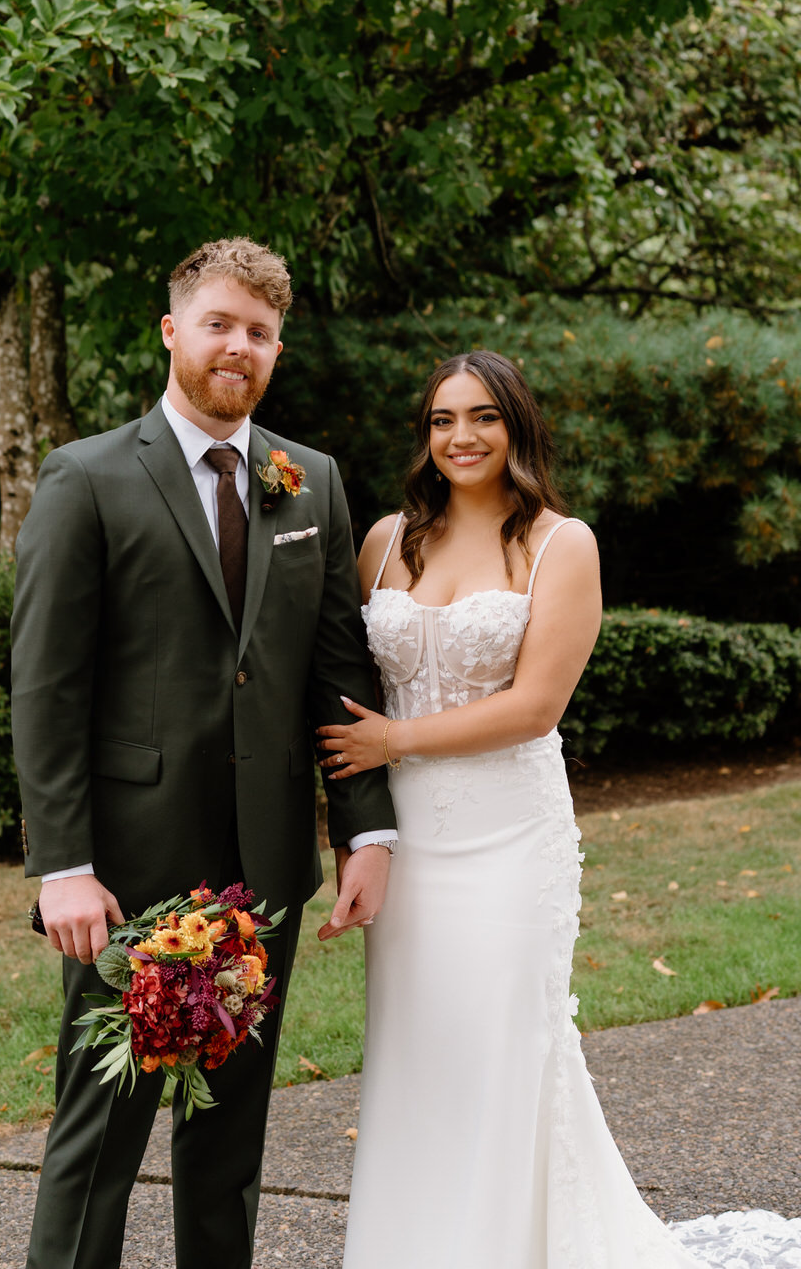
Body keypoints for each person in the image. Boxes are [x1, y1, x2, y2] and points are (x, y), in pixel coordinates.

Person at [318, 350, 800, 1268]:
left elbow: (536, 706)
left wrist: (394, 742)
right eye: (442, 419)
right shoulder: (383, 541)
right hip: (408, 844)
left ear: (518, 426)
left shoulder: (558, 544)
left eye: (484, 417)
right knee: (419, 1053)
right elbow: (338, 678)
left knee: (506, 1048)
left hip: (510, 836)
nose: (462, 437)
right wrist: (361, 817)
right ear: (425, 435)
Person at [10, 236, 397, 1269]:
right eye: (220, 324)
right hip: (130, 873)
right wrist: (65, 865)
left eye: (261, 333)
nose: (240, 347)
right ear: (173, 330)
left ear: (278, 351)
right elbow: (46, 689)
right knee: (100, 1135)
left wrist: (368, 833)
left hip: (263, 867)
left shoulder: (307, 482)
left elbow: (337, 682)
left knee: (228, 1139)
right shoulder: (86, 478)